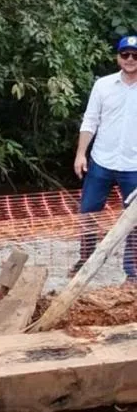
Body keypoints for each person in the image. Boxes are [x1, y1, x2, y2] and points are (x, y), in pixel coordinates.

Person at [71, 35, 137, 284]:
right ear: (118, 57)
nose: (130, 59)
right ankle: (85, 259)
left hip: (134, 166)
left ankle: (133, 273)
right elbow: (90, 121)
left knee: (134, 221)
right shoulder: (103, 86)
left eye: (135, 55)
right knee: (88, 212)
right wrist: (80, 154)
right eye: (125, 54)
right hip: (101, 162)